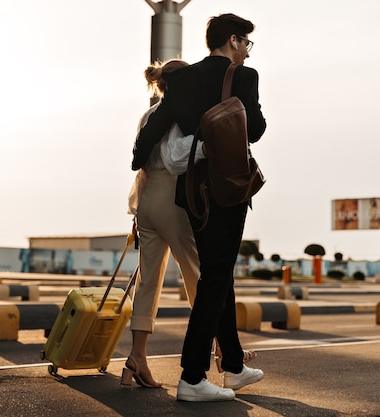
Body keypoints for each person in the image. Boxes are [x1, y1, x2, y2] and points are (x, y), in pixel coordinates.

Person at [131, 13, 267, 402]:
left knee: (217, 274)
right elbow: (254, 130)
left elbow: (155, 128)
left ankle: (235, 367)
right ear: (233, 41)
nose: (246, 50)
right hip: (227, 188)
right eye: (245, 43)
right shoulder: (244, 76)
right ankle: (192, 376)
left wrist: (137, 157)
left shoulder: (186, 80)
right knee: (214, 279)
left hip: (190, 193)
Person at [122, 59, 201, 389]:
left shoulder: (148, 114)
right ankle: (222, 350)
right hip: (170, 196)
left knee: (148, 281)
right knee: (198, 274)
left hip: (147, 198)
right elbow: (173, 158)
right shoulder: (177, 114)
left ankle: (137, 356)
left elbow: (144, 161)